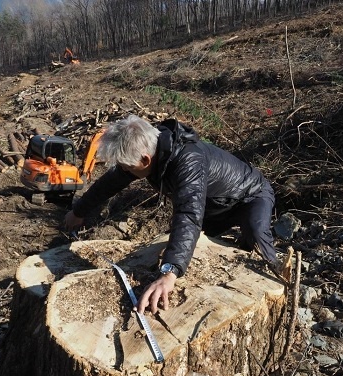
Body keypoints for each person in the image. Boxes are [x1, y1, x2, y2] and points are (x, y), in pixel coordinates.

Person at [64, 115, 277, 314]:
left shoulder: (187, 161)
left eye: (127, 168)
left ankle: (276, 281)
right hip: (213, 205)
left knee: (256, 238)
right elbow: (110, 183)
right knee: (202, 253)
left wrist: (169, 272)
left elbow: (188, 214)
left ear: (146, 161)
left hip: (249, 196)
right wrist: (79, 211)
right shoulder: (150, 148)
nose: (125, 172)